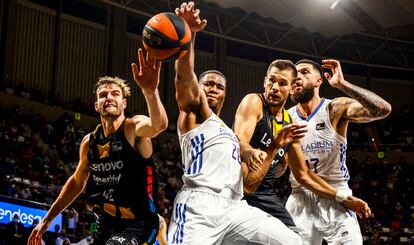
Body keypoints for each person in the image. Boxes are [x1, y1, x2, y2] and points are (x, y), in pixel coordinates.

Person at [167, 2, 302, 244]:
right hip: (200, 205)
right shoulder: (194, 115)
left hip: (235, 207)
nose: (213, 89)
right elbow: (184, 77)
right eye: (208, 83)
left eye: (220, 87)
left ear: (225, 95)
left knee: (292, 241)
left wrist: (271, 150)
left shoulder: (227, 133)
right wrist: (188, 34)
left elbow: (248, 179)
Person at [27, 48, 168, 245]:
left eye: (115, 94)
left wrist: (150, 91)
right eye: (103, 95)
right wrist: (46, 220)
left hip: (139, 223)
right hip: (107, 222)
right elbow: (77, 182)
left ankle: (158, 225)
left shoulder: (133, 128)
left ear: (124, 103)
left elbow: (159, 124)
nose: (109, 97)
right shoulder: (89, 142)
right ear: (96, 105)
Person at [233, 59, 372, 234]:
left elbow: (303, 175)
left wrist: (343, 198)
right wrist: (251, 151)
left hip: (269, 193)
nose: (275, 87)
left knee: (293, 237)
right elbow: (238, 142)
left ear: (292, 87)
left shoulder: (291, 123)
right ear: (264, 81)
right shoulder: (254, 101)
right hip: (243, 191)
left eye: (282, 83)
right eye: (271, 81)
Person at [286, 59, 392, 244]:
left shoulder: (334, 108)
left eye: (304, 72)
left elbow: (382, 109)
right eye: (295, 74)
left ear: (319, 81)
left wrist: (342, 84)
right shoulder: (285, 117)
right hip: (300, 198)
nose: (297, 77)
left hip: (338, 195)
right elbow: (282, 169)